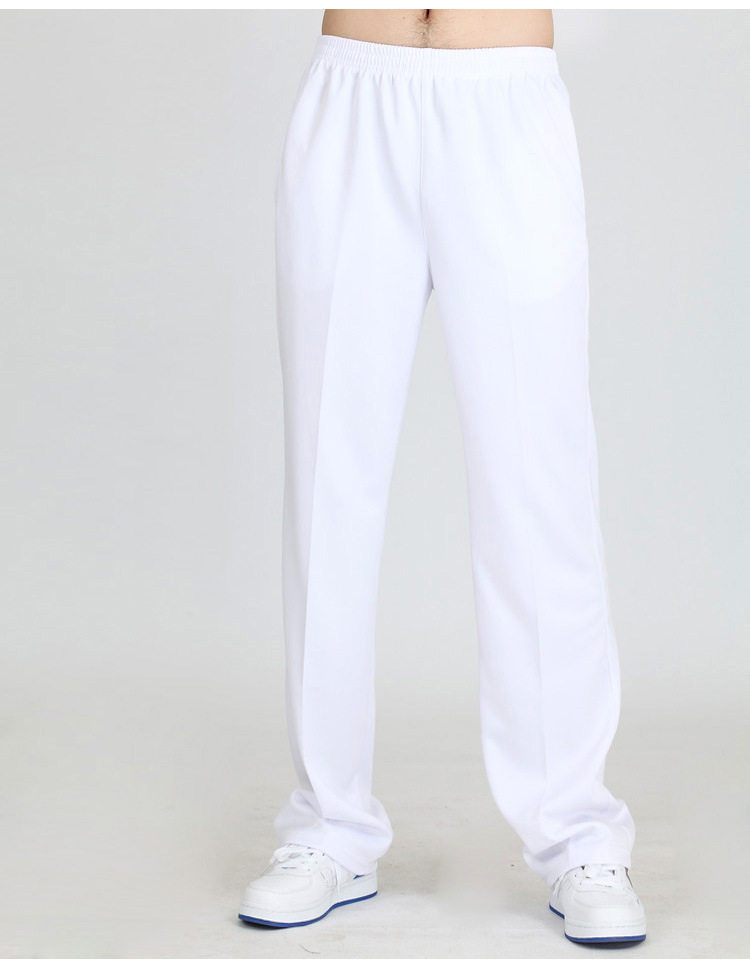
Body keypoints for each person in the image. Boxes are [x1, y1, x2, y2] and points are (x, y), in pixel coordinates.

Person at [238, 9, 647, 945]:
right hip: (351, 92)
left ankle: (577, 831)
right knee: (326, 486)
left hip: (505, 98)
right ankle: (329, 827)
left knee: (538, 485)